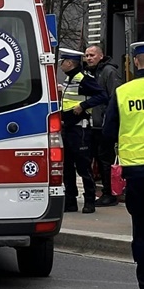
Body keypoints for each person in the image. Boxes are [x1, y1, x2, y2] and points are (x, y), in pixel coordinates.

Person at [102, 41, 144, 289]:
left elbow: (107, 133)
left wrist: (109, 165)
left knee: (142, 229)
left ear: (136, 62)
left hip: (135, 172)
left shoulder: (122, 92)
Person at [80, 44, 121, 205]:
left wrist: (109, 121)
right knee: (95, 159)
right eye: (87, 55)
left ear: (101, 56)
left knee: (105, 160)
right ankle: (101, 192)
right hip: (92, 124)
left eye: (92, 55)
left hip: (104, 125)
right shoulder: (89, 73)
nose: (88, 58)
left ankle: (109, 194)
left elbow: (115, 98)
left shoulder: (109, 72)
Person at [59, 49, 97, 214]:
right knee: (67, 167)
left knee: (83, 167)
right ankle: (71, 201)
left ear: (70, 63)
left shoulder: (84, 79)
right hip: (67, 129)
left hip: (80, 130)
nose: (61, 64)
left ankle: (90, 200)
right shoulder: (69, 79)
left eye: (63, 61)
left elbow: (102, 96)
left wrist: (83, 106)